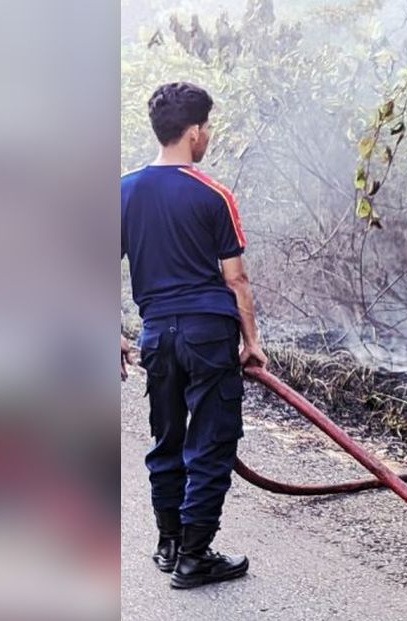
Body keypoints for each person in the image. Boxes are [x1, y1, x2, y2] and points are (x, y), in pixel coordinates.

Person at [121, 82, 266, 588]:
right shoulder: (214, 194)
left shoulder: (123, 190)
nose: (209, 137)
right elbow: (236, 278)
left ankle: (170, 544)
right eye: (208, 128)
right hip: (208, 332)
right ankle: (196, 556)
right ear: (194, 131)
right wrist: (252, 342)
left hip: (157, 333)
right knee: (210, 441)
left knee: (167, 438)